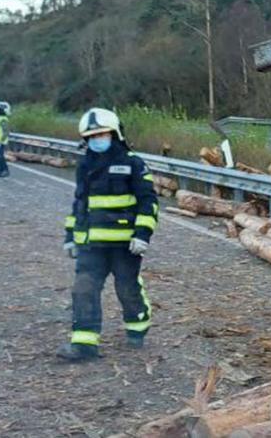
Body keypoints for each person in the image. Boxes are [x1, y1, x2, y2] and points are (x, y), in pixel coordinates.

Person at [58, 108, 159, 362]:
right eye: (92, 136)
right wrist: (70, 235)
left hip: (126, 245)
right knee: (83, 288)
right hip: (91, 245)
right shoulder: (85, 166)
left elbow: (148, 202)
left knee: (127, 288)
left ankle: (137, 325)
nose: (97, 140)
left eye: (101, 134)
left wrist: (142, 235)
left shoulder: (133, 163)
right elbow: (79, 204)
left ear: (114, 134)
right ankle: (84, 345)